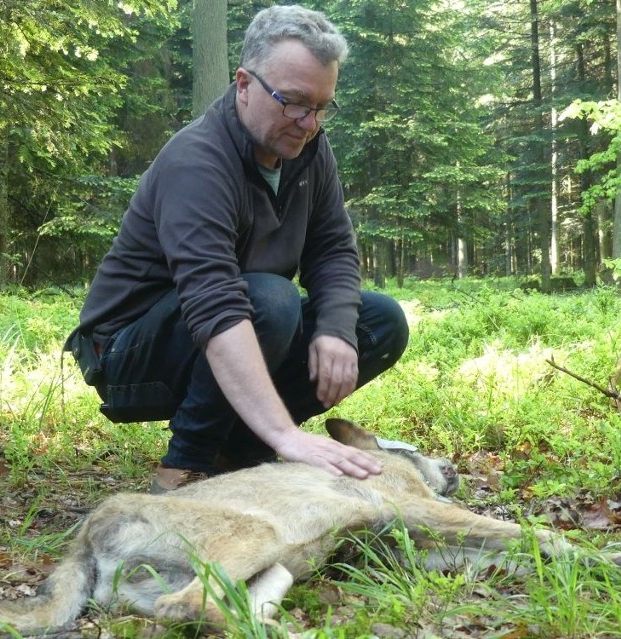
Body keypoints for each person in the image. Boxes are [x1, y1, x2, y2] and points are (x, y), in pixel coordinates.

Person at [66, 5, 409, 493]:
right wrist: (288, 435)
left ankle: (241, 451)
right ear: (244, 84)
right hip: (129, 353)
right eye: (292, 102)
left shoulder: (308, 149)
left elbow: (332, 248)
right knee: (269, 298)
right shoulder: (196, 161)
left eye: (321, 106)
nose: (308, 122)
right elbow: (214, 301)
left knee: (376, 321)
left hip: (235, 319)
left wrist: (335, 330)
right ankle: (186, 466)